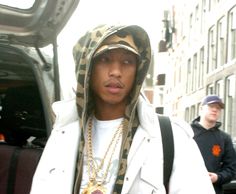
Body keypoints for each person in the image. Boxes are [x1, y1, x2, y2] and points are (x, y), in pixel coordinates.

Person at [30, 24, 215, 194]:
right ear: (87, 68)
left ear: (138, 70)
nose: (116, 71)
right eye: (104, 59)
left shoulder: (171, 135)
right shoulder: (63, 133)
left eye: (127, 62)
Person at [191, 94, 236, 194]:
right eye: (211, 106)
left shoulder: (224, 138)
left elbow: (231, 169)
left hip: (213, 190)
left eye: (218, 108)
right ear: (201, 109)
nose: (215, 110)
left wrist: (218, 177)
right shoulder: (186, 133)